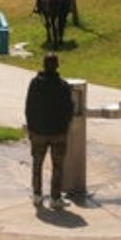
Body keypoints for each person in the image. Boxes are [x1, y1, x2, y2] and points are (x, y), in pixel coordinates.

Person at [24, 53, 74, 208]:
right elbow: (69, 109)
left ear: (43, 65)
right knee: (57, 166)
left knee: (37, 164)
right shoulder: (64, 86)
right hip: (58, 132)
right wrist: (65, 126)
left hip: (38, 132)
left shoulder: (35, 83)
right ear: (57, 65)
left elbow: (29, 108)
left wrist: (31, 128)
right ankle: (55, 197)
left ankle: (37, 195)